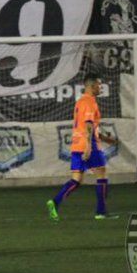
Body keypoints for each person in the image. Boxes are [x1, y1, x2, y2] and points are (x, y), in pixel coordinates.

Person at [46, 74, 119, 222]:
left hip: (76, 144)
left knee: (76, 180)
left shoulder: (80, 102)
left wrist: (105, 139)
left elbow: (89, 126)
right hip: (88, 144)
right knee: (102, 176)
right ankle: (101, 212)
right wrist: (88, 147)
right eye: (99, 85)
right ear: (91, 86)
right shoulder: (89, 102)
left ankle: (55, 202)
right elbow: (88, 125)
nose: (100, 87)